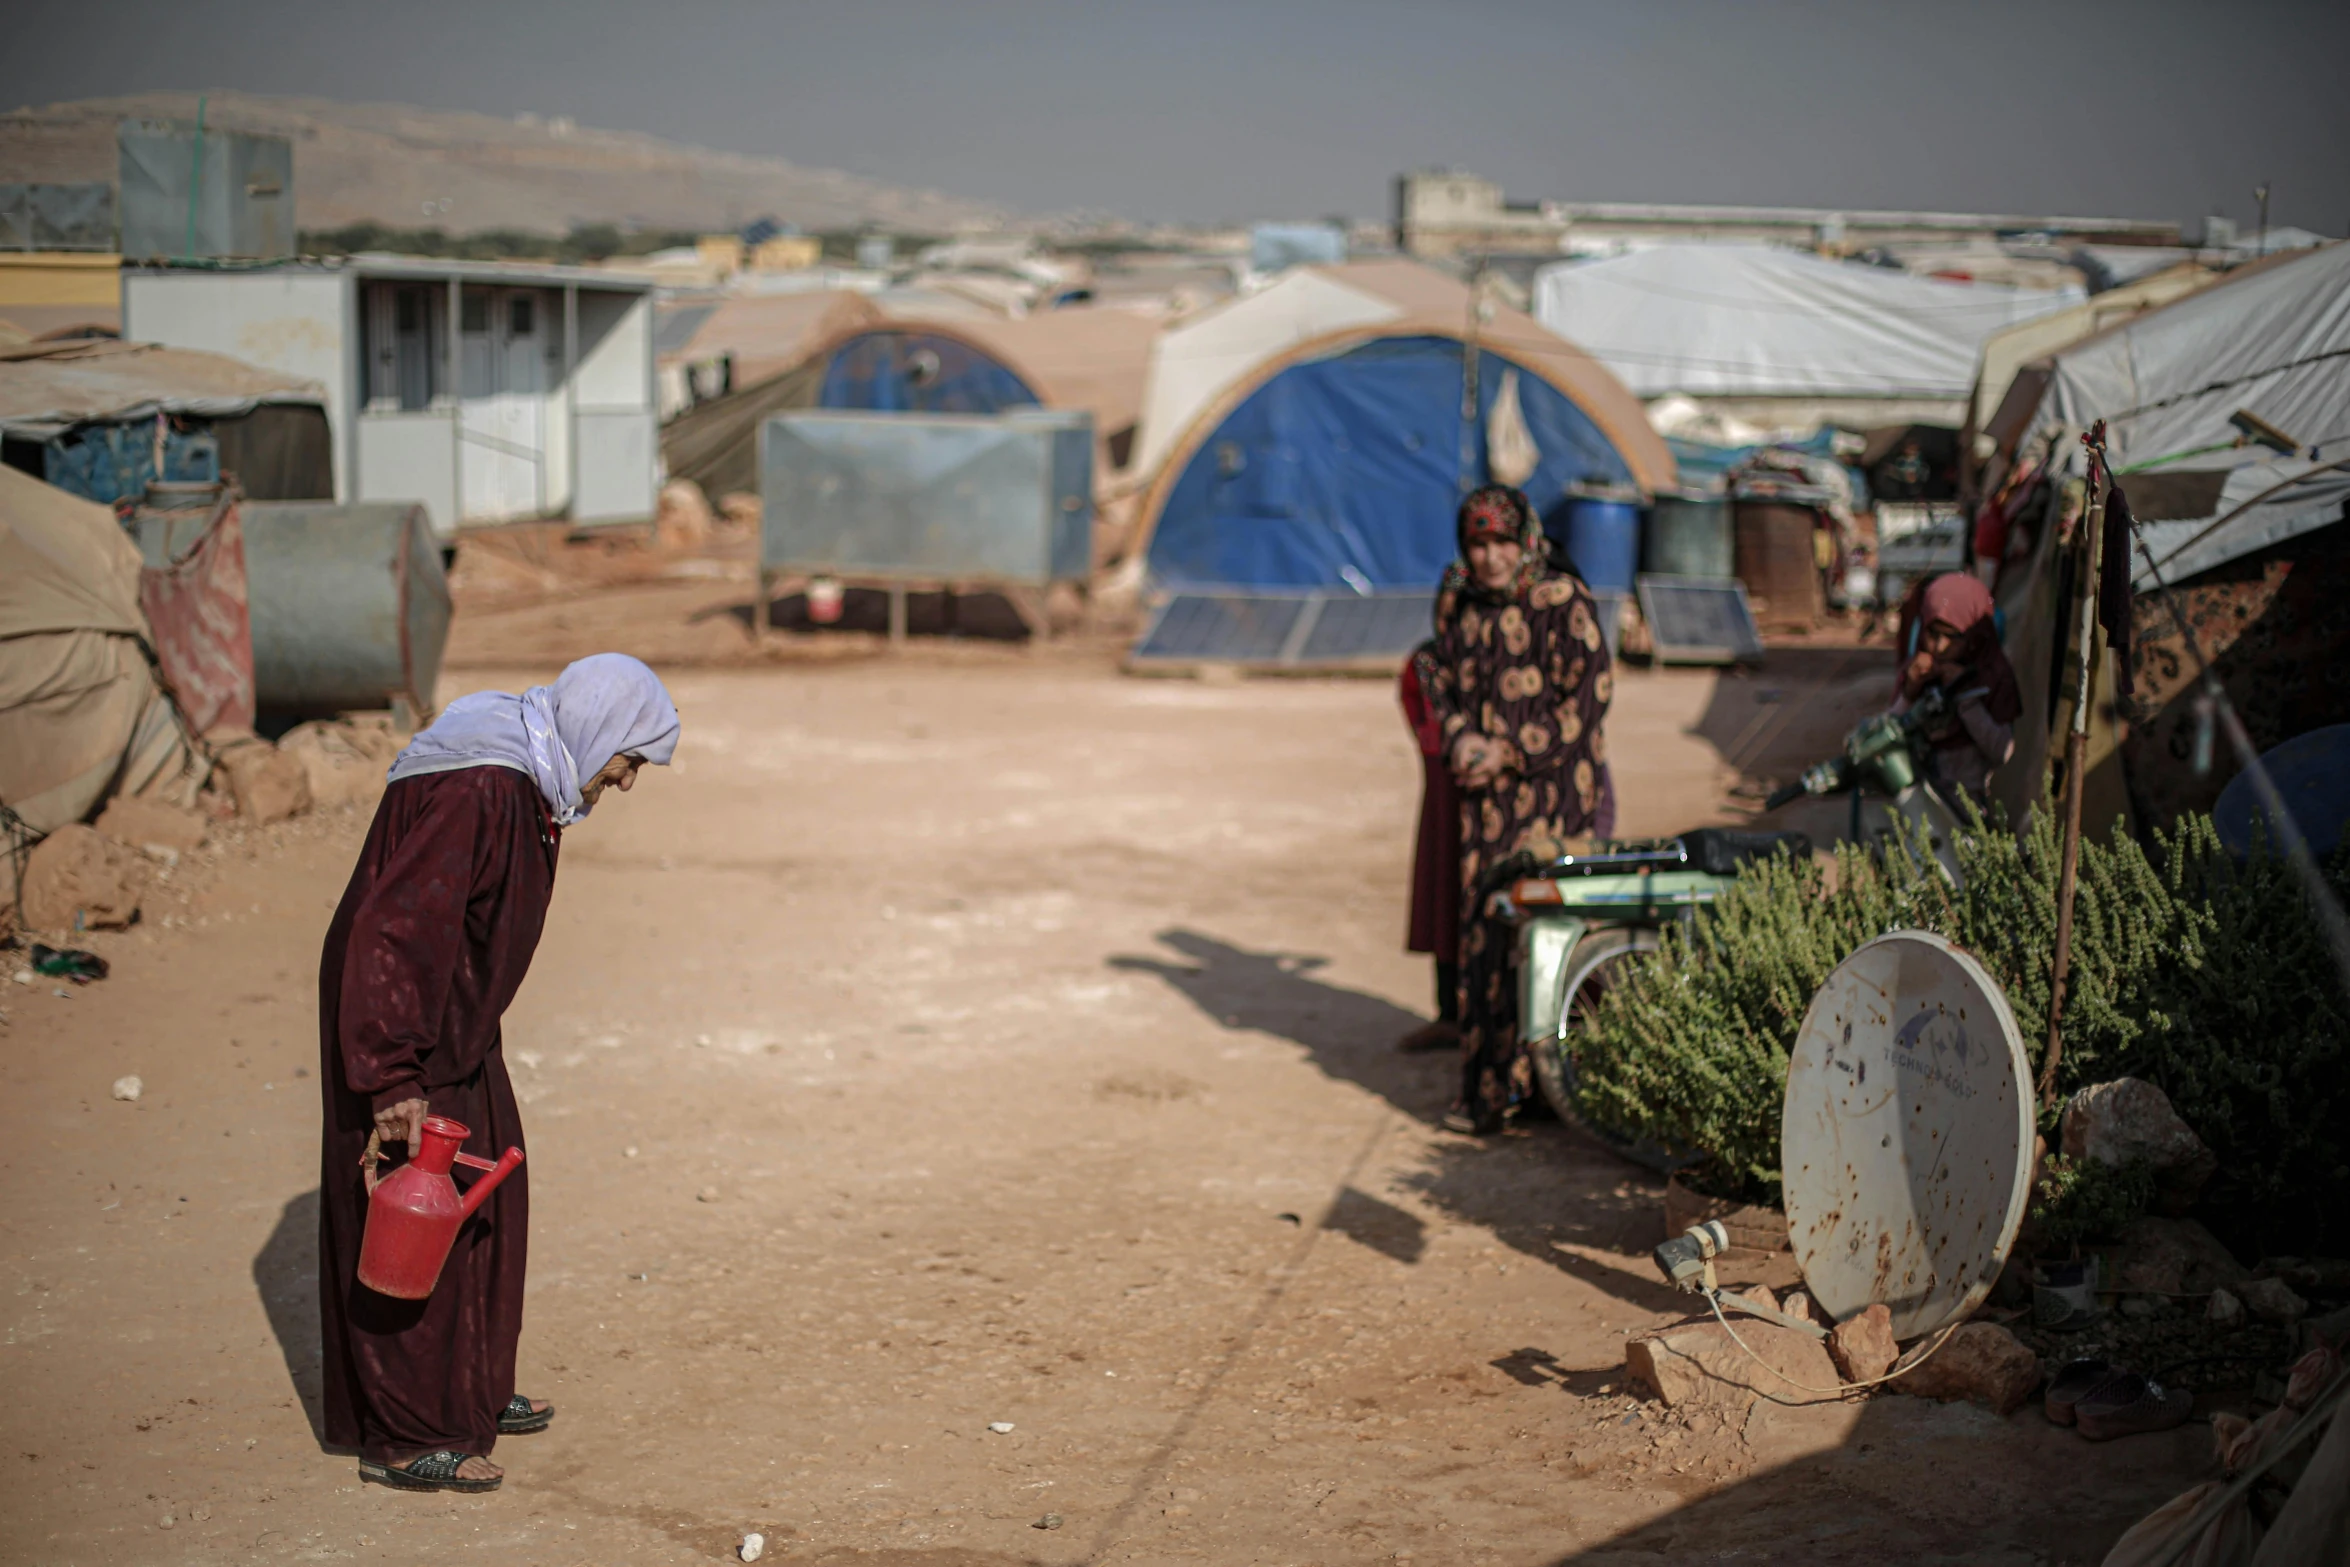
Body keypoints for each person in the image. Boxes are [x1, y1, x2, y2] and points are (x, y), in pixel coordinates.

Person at [317, 653, 680, 1493]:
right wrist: (392, 1075)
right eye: (628, 760)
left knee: (489, 1191)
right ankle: (407, 1435)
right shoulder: (484, 785)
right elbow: (395, 928)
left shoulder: (526, 776)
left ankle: (468, 1387)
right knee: (411, 1214)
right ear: (598, 733)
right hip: (407, 1027)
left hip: (453, 1025)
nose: (624, 781)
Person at [1424, 486, 1614, 1134]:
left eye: (1502, 541)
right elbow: (1436, 676)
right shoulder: (1466, 607)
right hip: (1485, 807)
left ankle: (1552, 1089)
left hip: (1554, 798)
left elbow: (1590, 698)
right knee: (1486, 935)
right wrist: (1461, 740)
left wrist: (1508, 749)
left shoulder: (1563, 599)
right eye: (1477, 543)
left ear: (1526, 538)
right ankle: (1490, 1091)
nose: (1491, 557)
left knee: (1549, 937)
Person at [1892, 571, 2020, 803]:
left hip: (1975, 803)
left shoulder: (1994, 676)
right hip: (1921, 799)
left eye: (1953, 637)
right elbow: (1892, 731)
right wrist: (1910, 691)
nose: (1940, 647)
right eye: (1933, 633)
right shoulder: (1918, 669)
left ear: (1974, 636)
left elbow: (2002, 751)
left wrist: (1965, 696)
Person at [1396, 641, 1461, 1052]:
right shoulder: (1429, 660)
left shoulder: (1505, 647)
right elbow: (1414, 701)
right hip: (1445, 786)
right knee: (1445, 889)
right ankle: (1451, 1014)